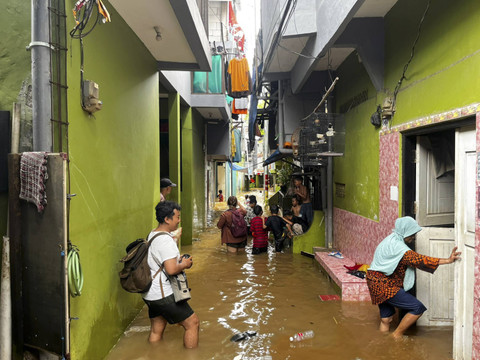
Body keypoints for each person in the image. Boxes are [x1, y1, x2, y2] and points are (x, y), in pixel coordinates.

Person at [366, 216, 461, 339]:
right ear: (404, 231)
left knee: (386, 319)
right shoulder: (400, 248)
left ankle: (383, 344)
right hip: (383, 283)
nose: (413, 237)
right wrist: (448, 260)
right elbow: (421, 261)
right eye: (411, 234)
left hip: (373, 280)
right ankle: (396, 336)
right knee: (417, 307)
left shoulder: (389, 240)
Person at [142, 201, 199, 348]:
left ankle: (154, 354)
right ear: (167, 219)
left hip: (150, 294)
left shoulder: (153, 234)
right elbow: (171, 270)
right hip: (163, 294)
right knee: (192, 323)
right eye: (177, 217)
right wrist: (185, 264)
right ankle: (191, 356)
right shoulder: (165, 240)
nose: (179, 220)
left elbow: (161, 261)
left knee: (156, 329)